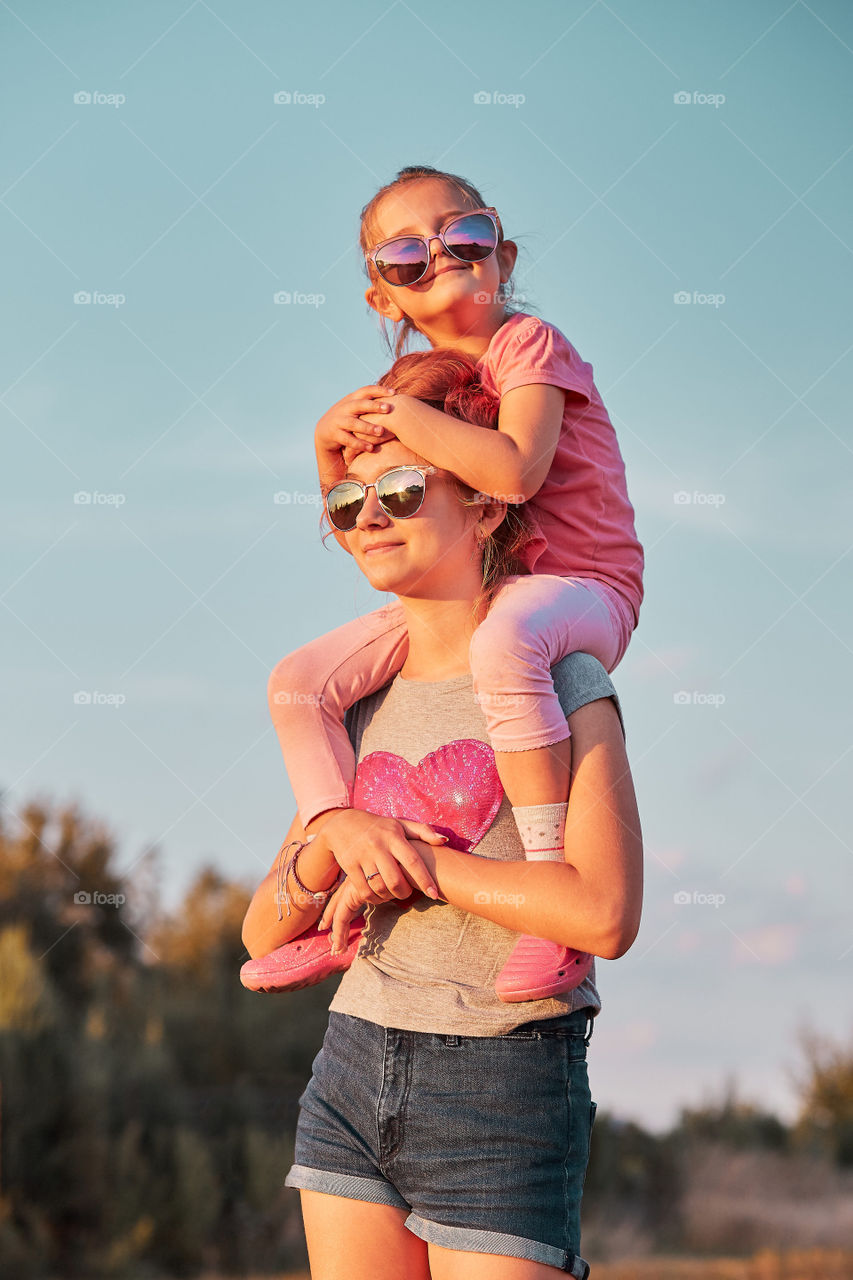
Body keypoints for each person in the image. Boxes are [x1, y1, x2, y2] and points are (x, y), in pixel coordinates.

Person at [242, 366, 644, 1278]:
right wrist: (335, 841)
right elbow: (263, 931)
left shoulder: (566, 678)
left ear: (487, 507)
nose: (369, 516)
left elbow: (604, 916)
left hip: (504, 1082)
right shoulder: (351, 701)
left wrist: (416, 863)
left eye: (399, 489)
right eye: (347, 501)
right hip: (351, 1068)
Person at [266, 165, 644, 1001]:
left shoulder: (527, 346)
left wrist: (402, 416)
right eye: (406, 255)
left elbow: (513, 473)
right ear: (382, 298)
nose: (440, 256)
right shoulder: (424, 389)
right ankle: (336, 847)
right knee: (298, 681)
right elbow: (367, 521)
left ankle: (549, 884)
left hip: (581, 588)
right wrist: (326, 449)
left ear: (501, 255)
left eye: (464, 236)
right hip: (484, 592)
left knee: (505, 642)